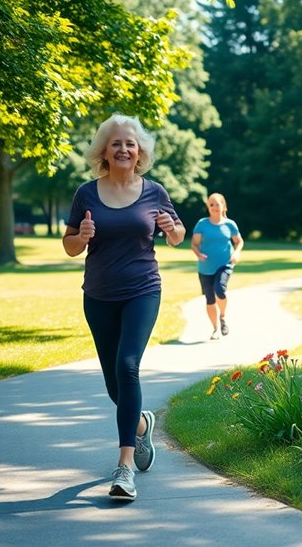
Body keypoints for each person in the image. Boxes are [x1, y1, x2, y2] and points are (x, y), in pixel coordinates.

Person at [63, 114, 186, 501]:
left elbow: (178, 235)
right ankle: (140, 424)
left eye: (130, 143)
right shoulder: (86, 193)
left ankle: (124, 468)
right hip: (98, 296)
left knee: (127, 365)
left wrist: (172, 229)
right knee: (115, 385)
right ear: (103, 151)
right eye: (116, 143)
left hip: (142, 291)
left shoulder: (154, 192)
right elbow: (69, 245)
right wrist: (81, 237)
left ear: (140, 152)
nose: (123, 149)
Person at [191, 193, 244, 340]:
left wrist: (237, 253)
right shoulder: (202, 224)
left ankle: (223, 316)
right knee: (210, 299)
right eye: (211, 204)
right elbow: (194, 244)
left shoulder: (230, 224)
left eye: (217, 204)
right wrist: (198, 254)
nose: (214, 207)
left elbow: (239, 241)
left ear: (223, 206)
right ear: (208, 207)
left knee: (220, 289)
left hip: (225, 264)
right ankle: (215, 329)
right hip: (205, 267)